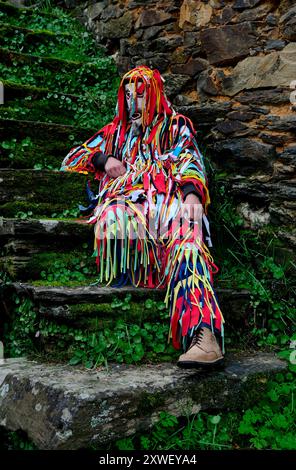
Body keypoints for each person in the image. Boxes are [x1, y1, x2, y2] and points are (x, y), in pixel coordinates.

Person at [60, 65, 225, 367]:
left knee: (187, 237)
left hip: (169, 202)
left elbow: (189, 157)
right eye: (127, 95)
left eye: (139, 94)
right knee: (112, 218)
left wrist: (191, 193)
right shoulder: (116, 133)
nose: (133, 103)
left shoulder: (175, 126)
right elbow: (72, 157)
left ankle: (205, 334)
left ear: (154, 94)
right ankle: (158, 269)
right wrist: (104, 158)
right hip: (129, 207)